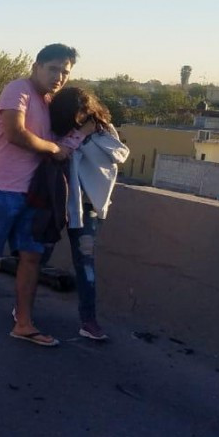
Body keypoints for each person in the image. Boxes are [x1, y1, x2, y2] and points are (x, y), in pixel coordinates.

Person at [0, 43, 76, 346]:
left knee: (31, 258)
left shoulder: (48, 101)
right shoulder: (18, 90)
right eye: (53, 69)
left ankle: (24, 323)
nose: (59, 76)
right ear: (36, 66)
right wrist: (54, 148)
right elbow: (16, 133)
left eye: (65, 72)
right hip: (0, 187)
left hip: (33, 194)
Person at [47, 87, 129, 341]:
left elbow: (119, 155)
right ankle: (22, 309)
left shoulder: (103, 130)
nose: (81, 117)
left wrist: (89, 136)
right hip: (57, 202)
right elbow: (57, 153)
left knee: (86, 264)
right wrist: (79, 135)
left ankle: (89, 320)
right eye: (75, 112)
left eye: (84, 111)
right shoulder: (57, 131)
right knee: (37, 254)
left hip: (89, 207)